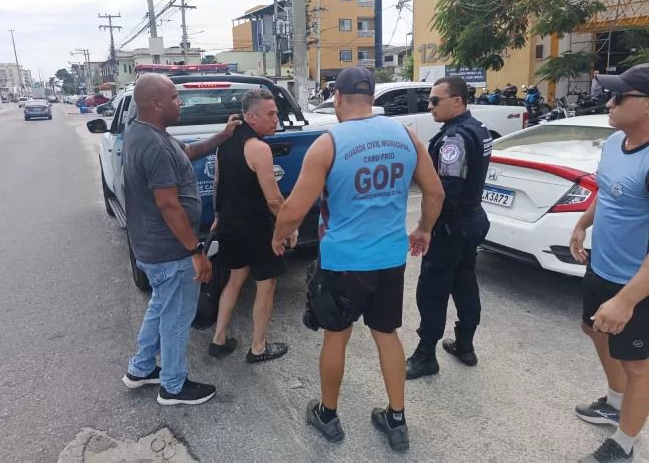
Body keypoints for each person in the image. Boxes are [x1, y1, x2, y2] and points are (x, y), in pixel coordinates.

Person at [271, 66, 445, 451]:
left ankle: (328, 415)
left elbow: (292, 210)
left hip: (344, 261)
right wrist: (424, 229)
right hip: (389, 257)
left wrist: (279, 236)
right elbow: (435, 193)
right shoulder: (406, 136)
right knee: (387, 334)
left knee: (337, 335)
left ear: (337, 98)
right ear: (371, 98)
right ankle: (396, 419)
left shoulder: (329, 143)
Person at [121, 73, 241, 406]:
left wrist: (222, 135)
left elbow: (188, 152)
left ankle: (141, 369)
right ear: (156, 103)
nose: (180, 102)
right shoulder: (155, 144)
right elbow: (168, 203)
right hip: (170, 251)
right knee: (176, 317)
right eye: (175, 97)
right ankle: (173, 386)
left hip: (152, 247)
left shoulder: (146, 133)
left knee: (161, 307)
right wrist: (196, 252)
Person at [570, 64, 649, 463]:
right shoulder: (615, 142)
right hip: (602, 266)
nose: (610, 102)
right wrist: (583, 225)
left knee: (638, 364)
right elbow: (611, 194)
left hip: (638, 283)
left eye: (620, 96)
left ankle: (623, 445)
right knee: (592, 329)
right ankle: (615, 402)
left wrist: (627, 300)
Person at [405, 76, 493, 379]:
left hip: (451, 227)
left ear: (457, 101)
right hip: (471, 221)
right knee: (465, 280)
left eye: (434, 101)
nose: (429, 107)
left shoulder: (454, 139)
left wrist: (425, 227)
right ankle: (465, 345)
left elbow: (444, 190)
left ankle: (426, 354)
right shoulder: (478, 130)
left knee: (433, 289)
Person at [208, 89, 295, 364]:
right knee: (266, 284)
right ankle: (258, 348)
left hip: (231, 225)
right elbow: (273, 198)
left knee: (235, 280)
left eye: (277, 113)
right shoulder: (259, 148)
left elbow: (218, 183)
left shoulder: (227, 141)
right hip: (256, 229)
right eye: (270, 114)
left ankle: (218, 340)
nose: (276, 119)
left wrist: (218, 217)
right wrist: (288, 227)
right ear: (250, 116)